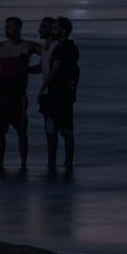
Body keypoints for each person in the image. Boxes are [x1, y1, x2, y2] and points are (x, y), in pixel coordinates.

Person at [0, 16, 41, 177]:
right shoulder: (0, 47)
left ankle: (24, 164)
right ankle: (0, 164)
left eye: (10, 27)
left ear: (18, 28)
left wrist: (31, 69)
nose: (6, 30)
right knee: (0, 132)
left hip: (19, 95)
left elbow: (49, 57)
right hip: (2, 95)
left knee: (22, 131)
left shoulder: (28, 46)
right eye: (6, 27)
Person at [40, 17, 80, 175]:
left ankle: (53, 163)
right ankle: (67, 162)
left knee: (53, 128)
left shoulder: (62, 48)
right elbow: (76, 70)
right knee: (66, 129)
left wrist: (42, 89)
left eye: (55, 28)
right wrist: (74, 88)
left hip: (56, 93)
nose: (52, 30)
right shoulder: (72, 47)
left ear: (63, 31)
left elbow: (54, 71)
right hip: (66, 92)